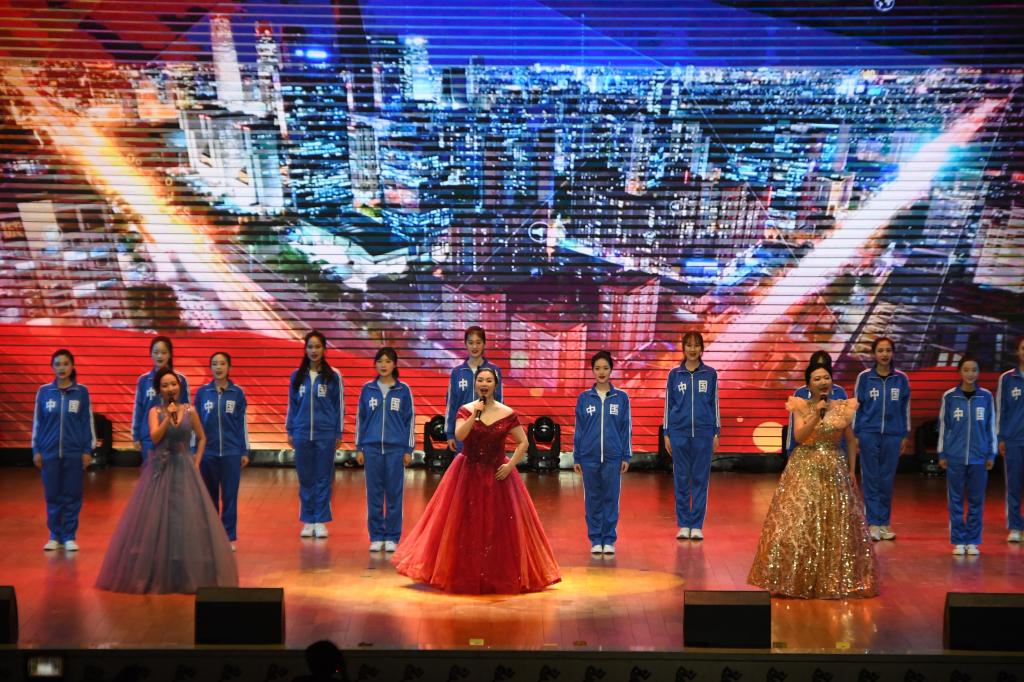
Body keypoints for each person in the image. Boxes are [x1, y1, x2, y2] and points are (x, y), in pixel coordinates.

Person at [391, 368, 561, 594]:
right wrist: (474, 416)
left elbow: (523, 443)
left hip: (498, 475)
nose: (484, 383)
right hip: (467, 474)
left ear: (496, 385)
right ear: (475, 384)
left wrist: (510, 465)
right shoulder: (467, 409)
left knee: (498, 527)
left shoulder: (507, 412)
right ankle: (462, 573)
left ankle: (496, 575)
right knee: (463, 525)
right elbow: (460, 435)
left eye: (489, 380)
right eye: (480, 380)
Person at [96, 367, 238, 593]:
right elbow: (154, 437)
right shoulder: (154, 411)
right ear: (159, 390)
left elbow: (202, 438)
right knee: (157, 516)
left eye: (173, 384)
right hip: (160, 468)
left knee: (185, 515)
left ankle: (183, 564)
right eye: (165, 385)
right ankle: (158, 565)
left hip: (184, 466)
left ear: (179, 387)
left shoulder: (190, 410)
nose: (170, 388)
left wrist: (196, 461)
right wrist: (168, 418)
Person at [748, 358, 877, 599]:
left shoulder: (843, 407)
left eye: (826, 378)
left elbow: (850, 441)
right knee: (802, 522)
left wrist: (851, 470)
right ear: (809, 385)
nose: (822, 382)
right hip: (805, 467)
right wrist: (816, 415)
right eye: (817, 379)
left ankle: (833, 579)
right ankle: (797, 579)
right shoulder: (801, 406)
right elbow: (799, 436)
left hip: (834, 468)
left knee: (834, 524)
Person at [32, 349, 96, 552]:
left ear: (72, 366)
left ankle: (69, 536)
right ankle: (54, 536)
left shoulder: (81, 392)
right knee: (52, 495)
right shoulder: (44, 392)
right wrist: (36, 449)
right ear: (52, 367)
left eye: (66, 363)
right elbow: (37, 422)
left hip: (74, 453)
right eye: (58, 364)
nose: (62, 368)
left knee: (72, 495)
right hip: (49, 453)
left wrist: (87, 450)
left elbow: (87, 422)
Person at [355, 347, 415, 553]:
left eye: (388, 361)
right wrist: (359, 447)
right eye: (380, 361)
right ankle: (376, 535)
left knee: (394, 494)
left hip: (395, 450)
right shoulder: (368, 389)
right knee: (374, 494)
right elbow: (361, 419)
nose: (383, 365)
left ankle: (391, 536)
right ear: (375, 364)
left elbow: (409, 420)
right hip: (371, 449)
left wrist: (408, 449)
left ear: (395, 364)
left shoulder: (403, 390)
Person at [286, 331, 344, 539]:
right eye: (310, 347)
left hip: (325, 434)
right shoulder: (297, 376)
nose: (314, 351)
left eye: (317, 347)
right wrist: (290, 430)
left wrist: (338, 432)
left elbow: (339, 406)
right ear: (305, 349)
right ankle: (308, 520)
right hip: (302, 433)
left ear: (324, 349)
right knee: (305, 477)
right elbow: (292, 405)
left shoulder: (333, 376)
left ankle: (320, 520)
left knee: (323, 477)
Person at [573, 350, 632, 555]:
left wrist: (626, 455)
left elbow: (625, 428)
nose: (601, 372)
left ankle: (609, 539)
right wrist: (577, 456)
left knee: (611, 498)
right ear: (592, 370)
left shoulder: (621, 398)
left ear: (611, 370)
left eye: (605, 368)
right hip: (589, 457)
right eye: (597, 368)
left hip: (613, 457)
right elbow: (579, 429)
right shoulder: (584, 398)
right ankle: (595, 539)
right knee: (592, 499)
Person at [853, 337, 911, 541]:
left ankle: (884, 522)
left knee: (886, 479)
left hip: (893, 435)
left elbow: (905, 408)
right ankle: (872, 523)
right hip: (868, 433)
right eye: (880, 350)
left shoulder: (901, 379)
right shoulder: (864, 378)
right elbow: (856, 407)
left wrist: (904, 434)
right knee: (870, 478)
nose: (885, 354)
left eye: (888, 350)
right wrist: (856, 434)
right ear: (874, 354)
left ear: (893, 353)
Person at [663, 331, 720, 540]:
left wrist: (716, 432)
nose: (693, 349)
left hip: (704, 434)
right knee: (681, 479)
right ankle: (683, 524)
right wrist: (666, 433)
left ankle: (696, 525)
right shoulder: (674, 375)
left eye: (696, 345)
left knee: (700, 480)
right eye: (689, 345)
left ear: (702, 349)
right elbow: (668, 405)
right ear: (683, 348)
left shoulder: (710, 374)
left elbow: (715, 404)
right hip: (679, 433)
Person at [938, 354, 997, 556]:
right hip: (954, 456)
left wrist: (991, 454)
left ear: (979, 372)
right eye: (966, 370)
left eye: (974, 370)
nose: (970, 374)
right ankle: (958, 540)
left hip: (979, 457)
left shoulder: (986, 397)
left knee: (976, 501)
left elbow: (991, 426)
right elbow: (944, 426)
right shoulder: (949, 397)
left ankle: (973, 540)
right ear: (959, 372)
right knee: (955, 500)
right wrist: (942, 453)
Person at [195, 351, 249, 550]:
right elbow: (195, 424)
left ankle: (228, 537)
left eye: (222, 363)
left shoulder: (237, 393)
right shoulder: (203, 393)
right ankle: (211, 536)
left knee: (229, 497)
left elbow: (242, 424)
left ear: (229, 367)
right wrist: (195, 451)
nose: (218, 367)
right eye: (215, 364)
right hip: (208, 453)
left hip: (231, 453)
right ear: (210, 368)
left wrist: (244, 451)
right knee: (209, 497)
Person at [444, 326, 502, 453]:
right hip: (462, 432)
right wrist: (450, 433)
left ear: (484, 344)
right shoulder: (457, 372)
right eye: (470, 343)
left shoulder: (494, 371)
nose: (474, 347)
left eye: (478, 342)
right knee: (463, 465)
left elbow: (499, 404)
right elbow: (451, 405)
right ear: (465, 344)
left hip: (487, 432)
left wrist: (498, 432)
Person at [132, 336, 189, 461]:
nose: (159, 356)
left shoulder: (180, 380)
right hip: (149, 438)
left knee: (174, 473)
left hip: (174, 437)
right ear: (151, 354)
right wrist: (136, 436)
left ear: (170, 354)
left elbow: (186, 409)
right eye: (156, 352)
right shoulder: (143, 380)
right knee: (152, 472)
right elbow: (139, 409)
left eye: (163, 352)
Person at [786, 350, 847, 457]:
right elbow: (793, 428)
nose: (820, 370)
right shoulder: (800, 393)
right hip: (807, 452)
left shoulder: (840, 392)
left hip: (834, 453)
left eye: (824, 367)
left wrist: (844, 454)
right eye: (817, 366)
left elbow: (845, 429)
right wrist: (790, 451)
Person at [996, 336, 1024, 543]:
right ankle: (1015, 526)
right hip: (1014, 440)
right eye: (1023, 348)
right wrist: (1001, 437)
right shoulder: (1007, 379)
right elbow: (1001, 410)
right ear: (1017, 351)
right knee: (1014, 485)